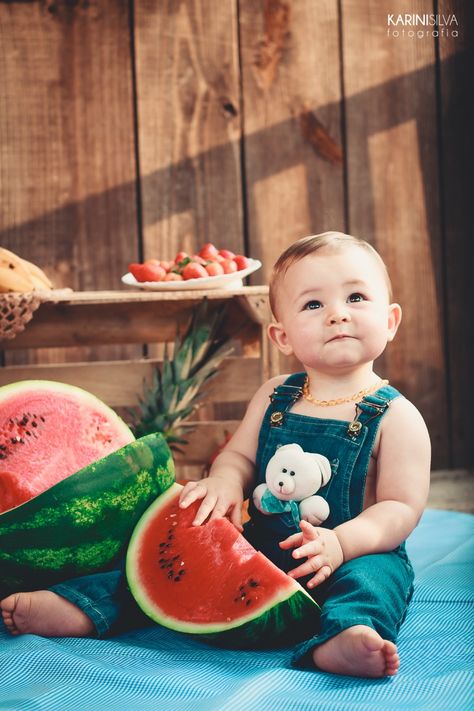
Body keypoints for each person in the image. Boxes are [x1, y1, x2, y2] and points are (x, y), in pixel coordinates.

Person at [1, 232, 431, 678]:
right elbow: (240, 458)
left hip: (354, 552)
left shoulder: (398, 417)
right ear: (282, 336)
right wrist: (225, 482)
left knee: (375, 584)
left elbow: (401, 507)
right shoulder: (273, 397)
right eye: (313, 305)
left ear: (391, 320)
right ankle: (84, 604)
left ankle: (346, 634)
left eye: (356, 297)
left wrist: (343, 544)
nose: (338, 314)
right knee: (166, 563)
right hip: (261, 544)